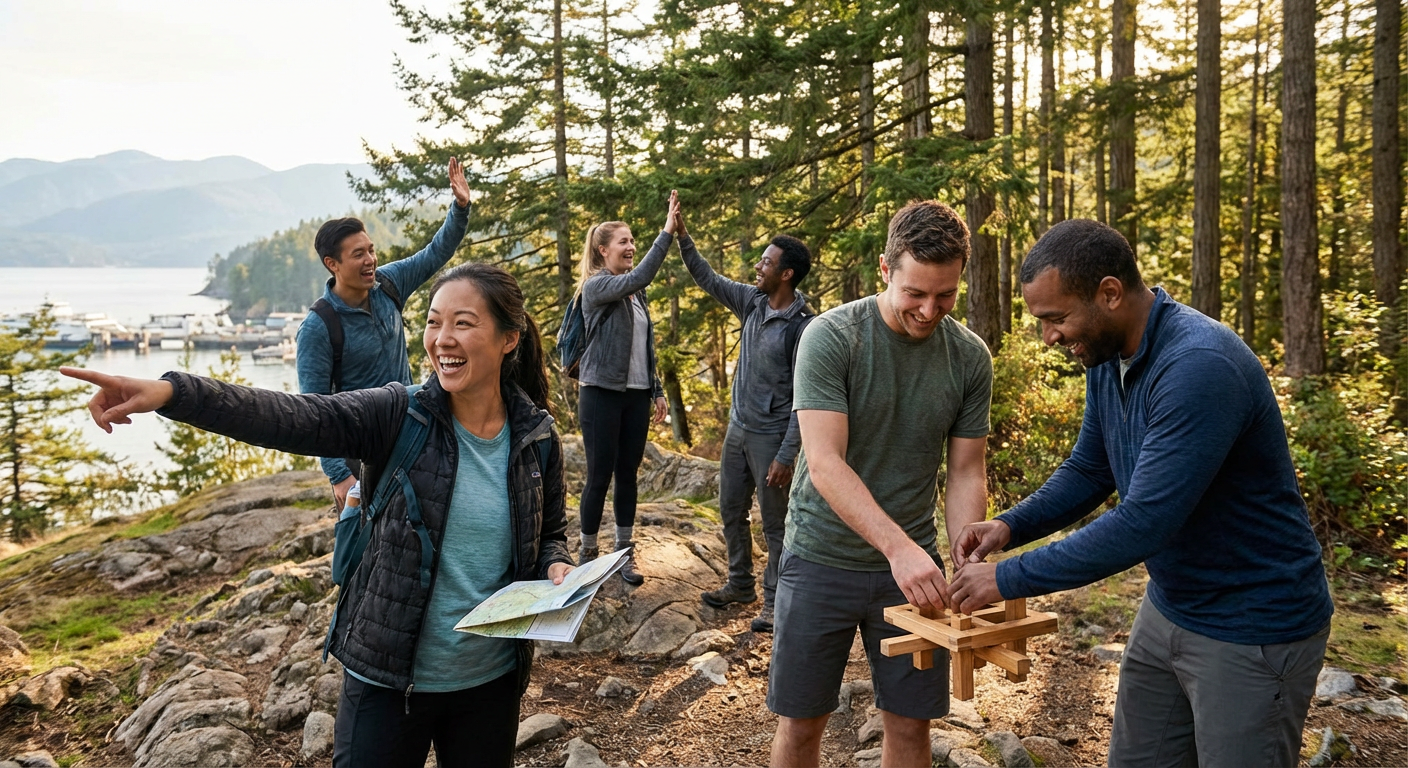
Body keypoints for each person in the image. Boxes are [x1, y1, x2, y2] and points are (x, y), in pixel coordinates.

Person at [64, 263, 573, 768]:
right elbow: (294, 416)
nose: (442, 339)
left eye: (463, 323)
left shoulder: (537, 438)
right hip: (387, 680)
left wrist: (556, 566)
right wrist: (174, 393)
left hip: (491, 682)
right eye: (433, 322)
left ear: (509, 338)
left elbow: (549, 533)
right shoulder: (398, 413)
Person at [948, 219, 1334, 768]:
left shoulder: (1198, 367)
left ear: (1109, 293)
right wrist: (1010, 526)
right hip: (1172, 606)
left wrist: (1005, 577)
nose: (1050, 337)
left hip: (1253, 624)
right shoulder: (1107, 355)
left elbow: (1145, 522)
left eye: (1056, 318)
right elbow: (1090, 466)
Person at [768, 200, 993, 768]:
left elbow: (966, 470)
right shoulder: (832, 337)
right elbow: (824, 463)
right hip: (822, 558)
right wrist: (899, 550)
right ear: (885, 270)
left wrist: (965, 556)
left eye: (945, 295)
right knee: (801, 725)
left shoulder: (968, 358)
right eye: (916, 292)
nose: (929, 309)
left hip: (914, 573)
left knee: (912, 730)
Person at [297, 157, 472, 511]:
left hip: (410, 431)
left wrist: (460, 207)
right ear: (332, 264)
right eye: (358, 254)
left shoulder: (388, 285)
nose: (370, 260)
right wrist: (338, 476)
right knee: (367, 545)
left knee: (422, 524)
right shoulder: (318, 327)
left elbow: (436, 252)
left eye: (371, 250)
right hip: (359, 451)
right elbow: (314, 410)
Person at [674, 205, 813, 634]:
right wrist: (681, 236)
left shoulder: (803, 328)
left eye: (767, 262)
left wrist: (787, 454)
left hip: (772, 439)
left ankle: (774, 603)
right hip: (739, 431)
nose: (759, 266)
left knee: (775, 525)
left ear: (786, 274)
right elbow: (708, 278)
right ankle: (740, 583)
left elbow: (804, 400)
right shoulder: (751, 301)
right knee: (731, 510)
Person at [574, 191, 676, 584]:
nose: (631, 246)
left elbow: (646, 345)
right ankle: (587, 552)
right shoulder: (597, 287)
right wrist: (666, 233)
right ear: (602, 251)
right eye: (624, 241)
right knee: (599, 474)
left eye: (634, 240)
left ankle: (624, 552)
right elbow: (641, 274)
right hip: (601, 390)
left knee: (628, 473)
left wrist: (657, 389)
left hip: (635, 394)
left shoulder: (637, 293)